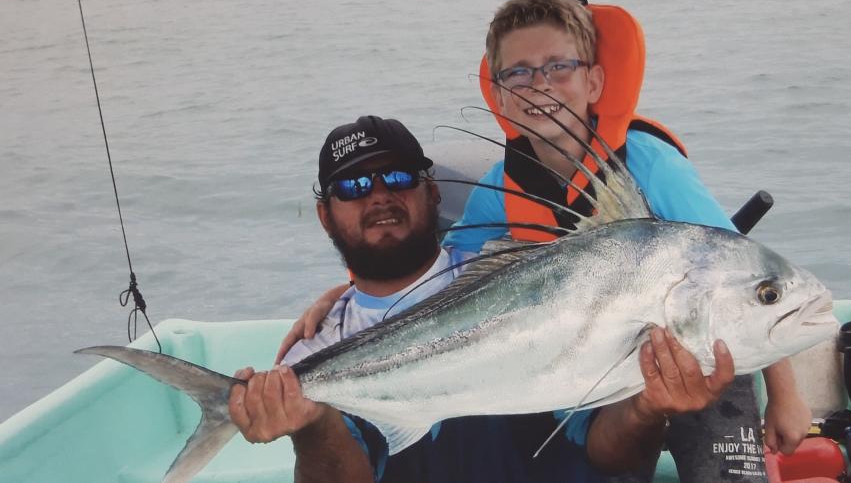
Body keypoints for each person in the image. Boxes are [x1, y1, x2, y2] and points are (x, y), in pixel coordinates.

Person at [283, 0, 810, 458]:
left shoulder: (650, 163)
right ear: (501, 94)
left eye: (559, 66)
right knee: (615, 467)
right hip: (606, 370)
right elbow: (443, 276)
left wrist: (785, 397)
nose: (539, 85)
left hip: (708, 352)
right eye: (518, 72)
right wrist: (345, 292)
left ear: (594, 80)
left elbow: (741, 271)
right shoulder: (501, 186)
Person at [231, 115, 736, 483]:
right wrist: (312, 425)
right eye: (355, 184)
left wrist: (647, 407)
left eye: (401, 177)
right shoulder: (308, 356)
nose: (380, 195)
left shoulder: (532, 282)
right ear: (325, 214)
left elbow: (613, 455)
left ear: (432, 192)